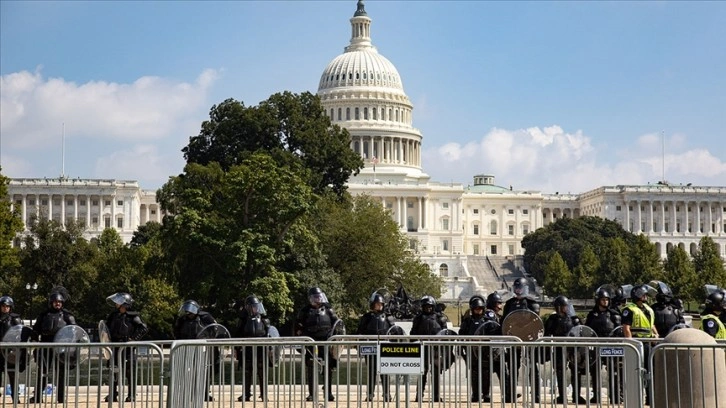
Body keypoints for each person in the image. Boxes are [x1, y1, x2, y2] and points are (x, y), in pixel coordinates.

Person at [29, 288, 76, 404]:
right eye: (55, 302)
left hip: (61, 348)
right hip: (45, 347)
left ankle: (60, 398)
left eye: (59, 302)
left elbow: (75, 331)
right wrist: (34, 340)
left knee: (60, 373)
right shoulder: (44, 315)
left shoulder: (67, 316)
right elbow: (35, 330)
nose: (57, 303)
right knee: (42, 372)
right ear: (51, 302)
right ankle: (38, 396)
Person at [294, 287, 339, 402]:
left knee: (328, 367)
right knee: (311, 367)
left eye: (319, 297)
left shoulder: (329, 310)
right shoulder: (304, 311)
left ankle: (328, 392)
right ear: (310, 298)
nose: (317, 300)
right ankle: (312, 394)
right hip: (311, 342)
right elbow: (297, 326)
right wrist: (300, 336)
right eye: (315, 297)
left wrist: (335, 340)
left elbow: (337, 324)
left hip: (326, 342)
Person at [502, 277, 541, 403]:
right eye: (516, 288)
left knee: (532, 367)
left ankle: (536, 395)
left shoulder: (531, 303)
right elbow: (505, 321)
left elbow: (535, 321)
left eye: (520, 288)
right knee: (513, 367)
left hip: (529, 339)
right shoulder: (509, 304)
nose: (518, 291)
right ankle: (511, 395)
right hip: (514, 340)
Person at [104, 292, 148, 402]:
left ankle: (131, 395)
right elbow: (106, 329)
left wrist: (133, 339)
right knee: (113, 371)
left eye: (118, 302)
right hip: (114, 346)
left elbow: (143, 328)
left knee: (130, 372)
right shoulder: (113, 315)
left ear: (124, 303)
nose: (116, 304)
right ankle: (113, 394)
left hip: (128, 348)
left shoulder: (133, 316)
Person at [173, 300, 217, 402]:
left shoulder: (205, 317)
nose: (189, 313)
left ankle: (205, 393)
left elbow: (215, 329)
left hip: (203, 348)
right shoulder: (182, 320)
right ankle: (189, 392)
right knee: (188, 371)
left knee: (204, 371)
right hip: (187, 348)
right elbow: (176, 332)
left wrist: (209, 341)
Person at [544, 295, 585, 404]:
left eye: (566, 306)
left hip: (572, 348)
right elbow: (547, 334)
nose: (565, 308)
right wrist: (547, 351)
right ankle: (562, 396)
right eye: (563, 306)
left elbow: (580, 333)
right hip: (558, 348)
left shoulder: (574, 319)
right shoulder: (553, 320)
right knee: (560, 371)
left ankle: (576, 396)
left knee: (576, 371)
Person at [585, 285, 623, 403]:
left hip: (610, 346)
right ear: (598, 301)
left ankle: (616, 395)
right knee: (595, 371)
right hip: (596, 345)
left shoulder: (613, 314)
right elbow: (586, 330)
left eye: (606, 300)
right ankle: (596, 395)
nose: (605, 302)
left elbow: (619, 331)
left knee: (614, 371)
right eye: (603, 300)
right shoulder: (592, 315)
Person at [356, 291, 395, 401]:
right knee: (371, 372)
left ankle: (386, 394)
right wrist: (359, 346)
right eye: (377, 304)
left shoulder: (388, 317)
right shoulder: (367, 317)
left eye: (381, 304)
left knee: (385, 372)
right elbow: (360, 332)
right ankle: (369, 394)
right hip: (370, 347)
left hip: (384, 347)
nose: (379, 306)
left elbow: (394, 332)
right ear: (373, 304)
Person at [621, 284, 657, 405]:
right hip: (636, 344)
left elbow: (651, 324)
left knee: (650, 371)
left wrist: (656, 335)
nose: (646, 296)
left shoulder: (647, 309)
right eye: (644, 294)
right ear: (637, 295)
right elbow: (626, 328)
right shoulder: (629, 309)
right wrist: (631, 344)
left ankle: (650, 399)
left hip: (648, 344)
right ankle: (635, 401)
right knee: (636, 372)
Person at [410, 295, 448, 402]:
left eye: (430, 306)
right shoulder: (418, 319)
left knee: (436, 373)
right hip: (423, 349)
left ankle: (436, 396)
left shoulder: (440, 318)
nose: (428, 308)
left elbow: (446, 334)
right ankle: (419, 395)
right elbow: (413, 333)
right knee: (422, 372)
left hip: (436, 350)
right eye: (426, 306)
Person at [235, 295, 271, 402]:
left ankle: (264, 394)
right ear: (248, 307)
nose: (255, 308)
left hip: (261, 348)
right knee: (247, 371)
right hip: (247, 349)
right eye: (253, 306)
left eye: (256, 306)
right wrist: (236, 349)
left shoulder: (264, 319)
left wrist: (270, 349)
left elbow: (269, 334)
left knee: (262, 371)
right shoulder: (243, 319)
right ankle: (246, 394)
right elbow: (237, 334)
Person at [0, 295, 25, 402]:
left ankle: (15, 398)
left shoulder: (15, 319)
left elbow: (21, 333)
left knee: (13, 375)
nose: (5, 308)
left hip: (11, 351)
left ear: (11, 307)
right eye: (3, 306)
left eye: (7, 306)